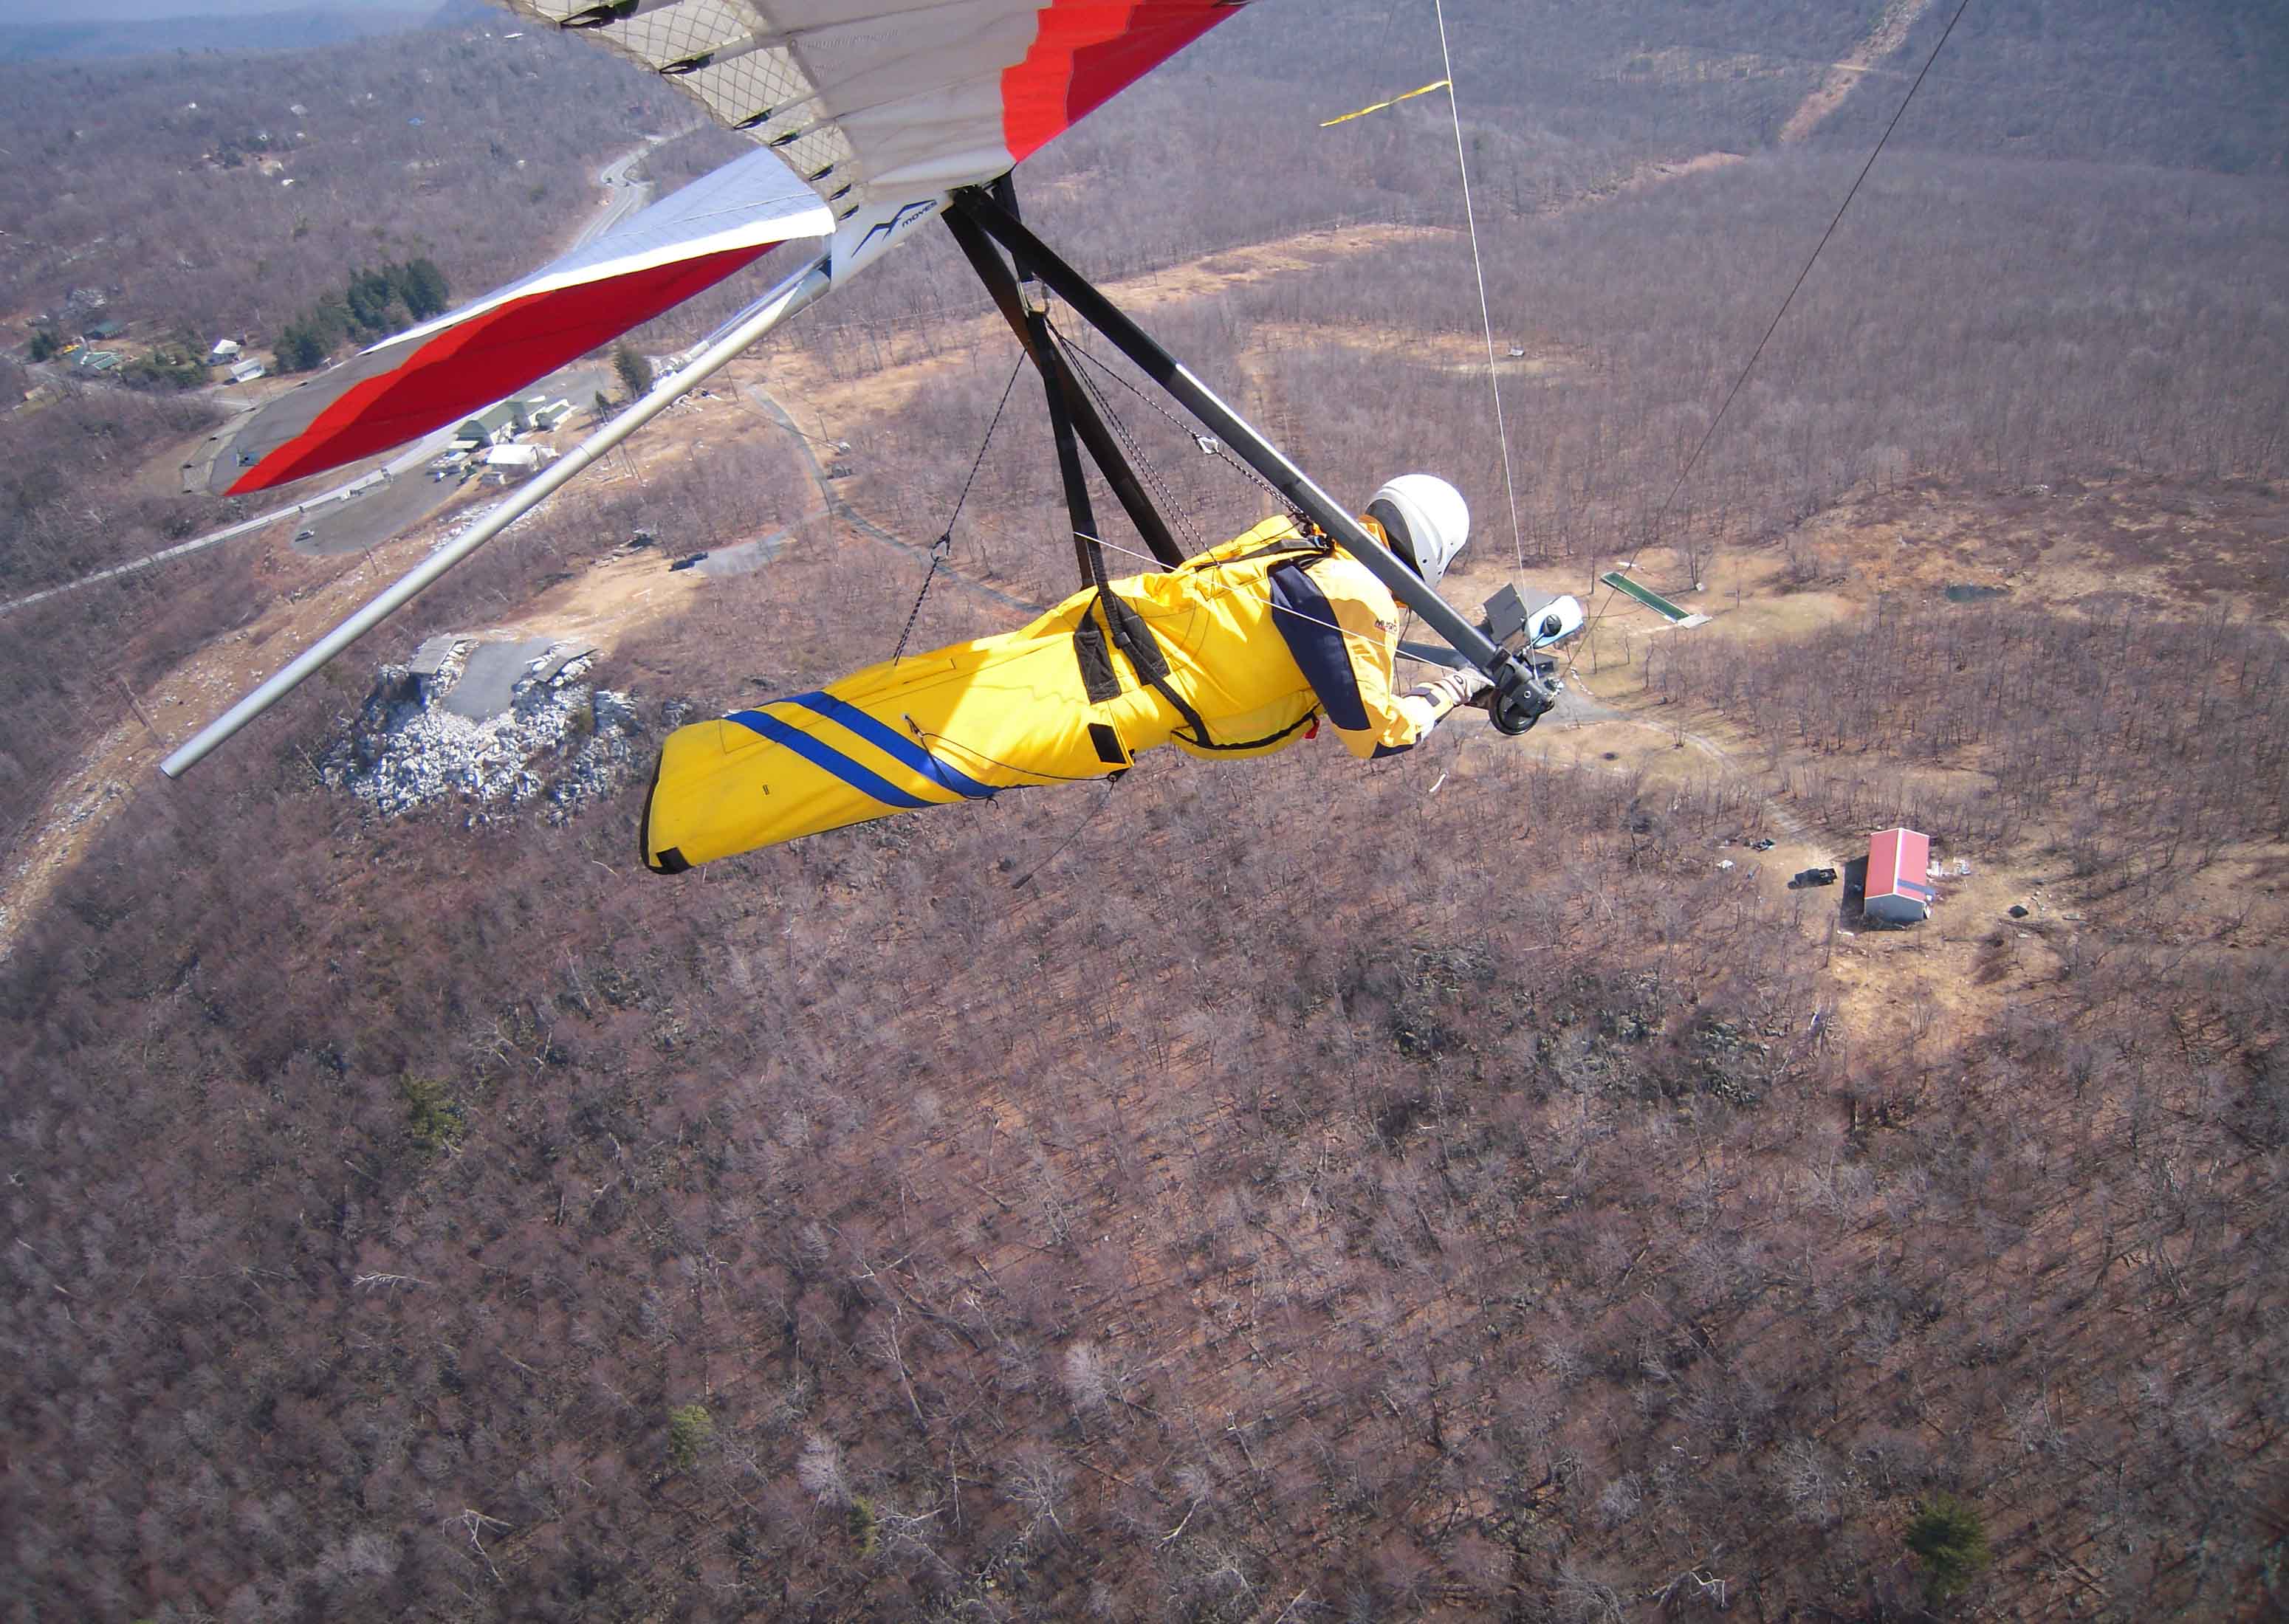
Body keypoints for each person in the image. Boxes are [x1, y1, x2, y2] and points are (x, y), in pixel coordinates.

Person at [641, 475, 1492, 873]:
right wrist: (1452, 688)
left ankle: (705, 756)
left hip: (1081, 638)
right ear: (1429, 559)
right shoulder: (1355, 595)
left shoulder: (1298, 533)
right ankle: (687, 825)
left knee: (901, 694)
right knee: (910, 753)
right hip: (1106, 701)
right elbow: (1375, 736)